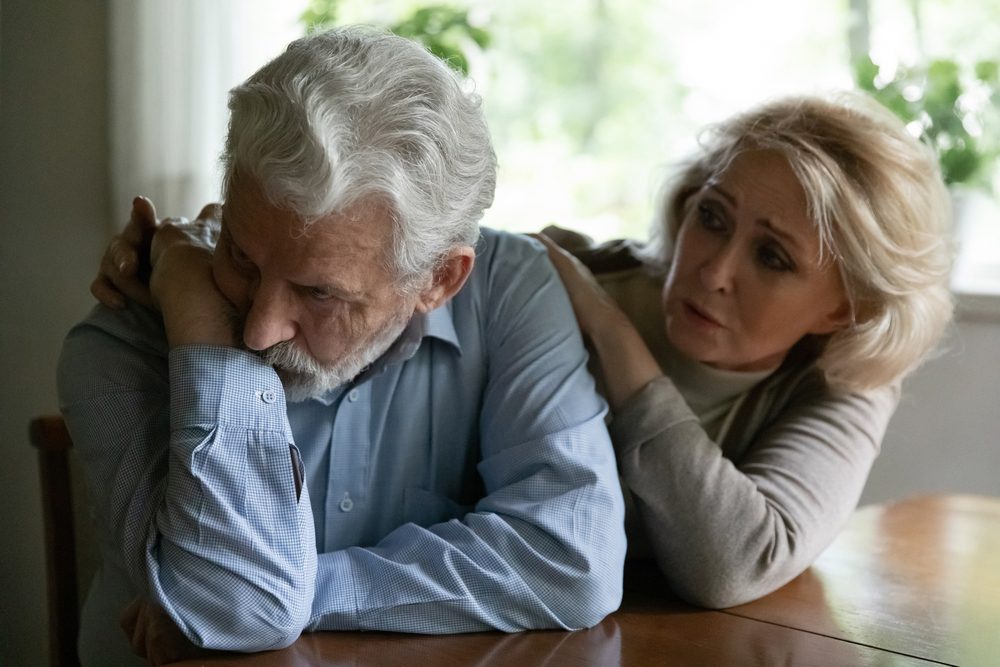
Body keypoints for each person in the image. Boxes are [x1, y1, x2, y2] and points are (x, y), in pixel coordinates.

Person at [60, 27, 626, 665]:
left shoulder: (509, 289)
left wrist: (305, 590)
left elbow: (573, 560)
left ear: (438, 280)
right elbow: (233, 603)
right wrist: (208, 343)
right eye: (241, 256)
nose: (259, 330)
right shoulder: (125, 329)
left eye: (319, 293)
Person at [535, 92, 954, 609]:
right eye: (712, 218)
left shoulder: (841, 384)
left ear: (844, 311)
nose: (715, 272)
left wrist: (613, 337)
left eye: (772, 257)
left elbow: (732, 567)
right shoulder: (573, 283)